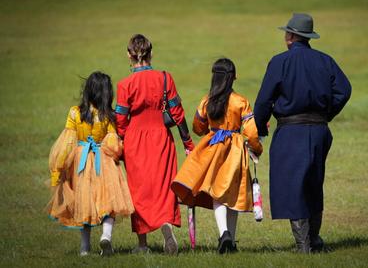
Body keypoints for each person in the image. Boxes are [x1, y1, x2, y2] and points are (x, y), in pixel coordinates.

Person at [254, 13, 352, 253]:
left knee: (292, 185)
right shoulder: (325, 60)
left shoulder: (280, 62)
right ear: (307, 37)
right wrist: (326, 114)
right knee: (313, 183)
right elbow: (344, 90)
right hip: (319, 130)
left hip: (290, 131)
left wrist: (260, 128)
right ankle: (314, 239)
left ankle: (303, 244)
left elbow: (264, 101)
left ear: (290, 36)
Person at [171, 58, 263, 254]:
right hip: (236, 150)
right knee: (232, 193)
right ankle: (230, 238)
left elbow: (197, 127)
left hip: (213, 148)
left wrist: (210, 128)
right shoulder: (241, 102)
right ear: (233, 77)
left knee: (217, 192)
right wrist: (257, 148)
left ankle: (224, 234)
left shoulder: (207, 100)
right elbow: (252, 133)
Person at [115, 34, 195, 255]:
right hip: (161, 137)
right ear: (151, 54)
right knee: (163, 187)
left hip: (135, 140)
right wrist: (188, 143)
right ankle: (166, 228)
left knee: (139, 190)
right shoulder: (165, 78)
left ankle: (142, 244)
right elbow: (177, 113)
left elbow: (121, 120)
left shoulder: (124, 85)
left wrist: (121, 142)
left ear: (129, 55)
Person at [46, 72, 134, 257]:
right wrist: (119, 152)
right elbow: (112, 144)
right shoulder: (108, 115)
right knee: (109, 202)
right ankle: (106, 236)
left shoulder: (75, 113)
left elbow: (66, 143)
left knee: (83, 204)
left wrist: (58, 170)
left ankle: (85, 248)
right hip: (104, 163)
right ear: (106, 94)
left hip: (81, 163)